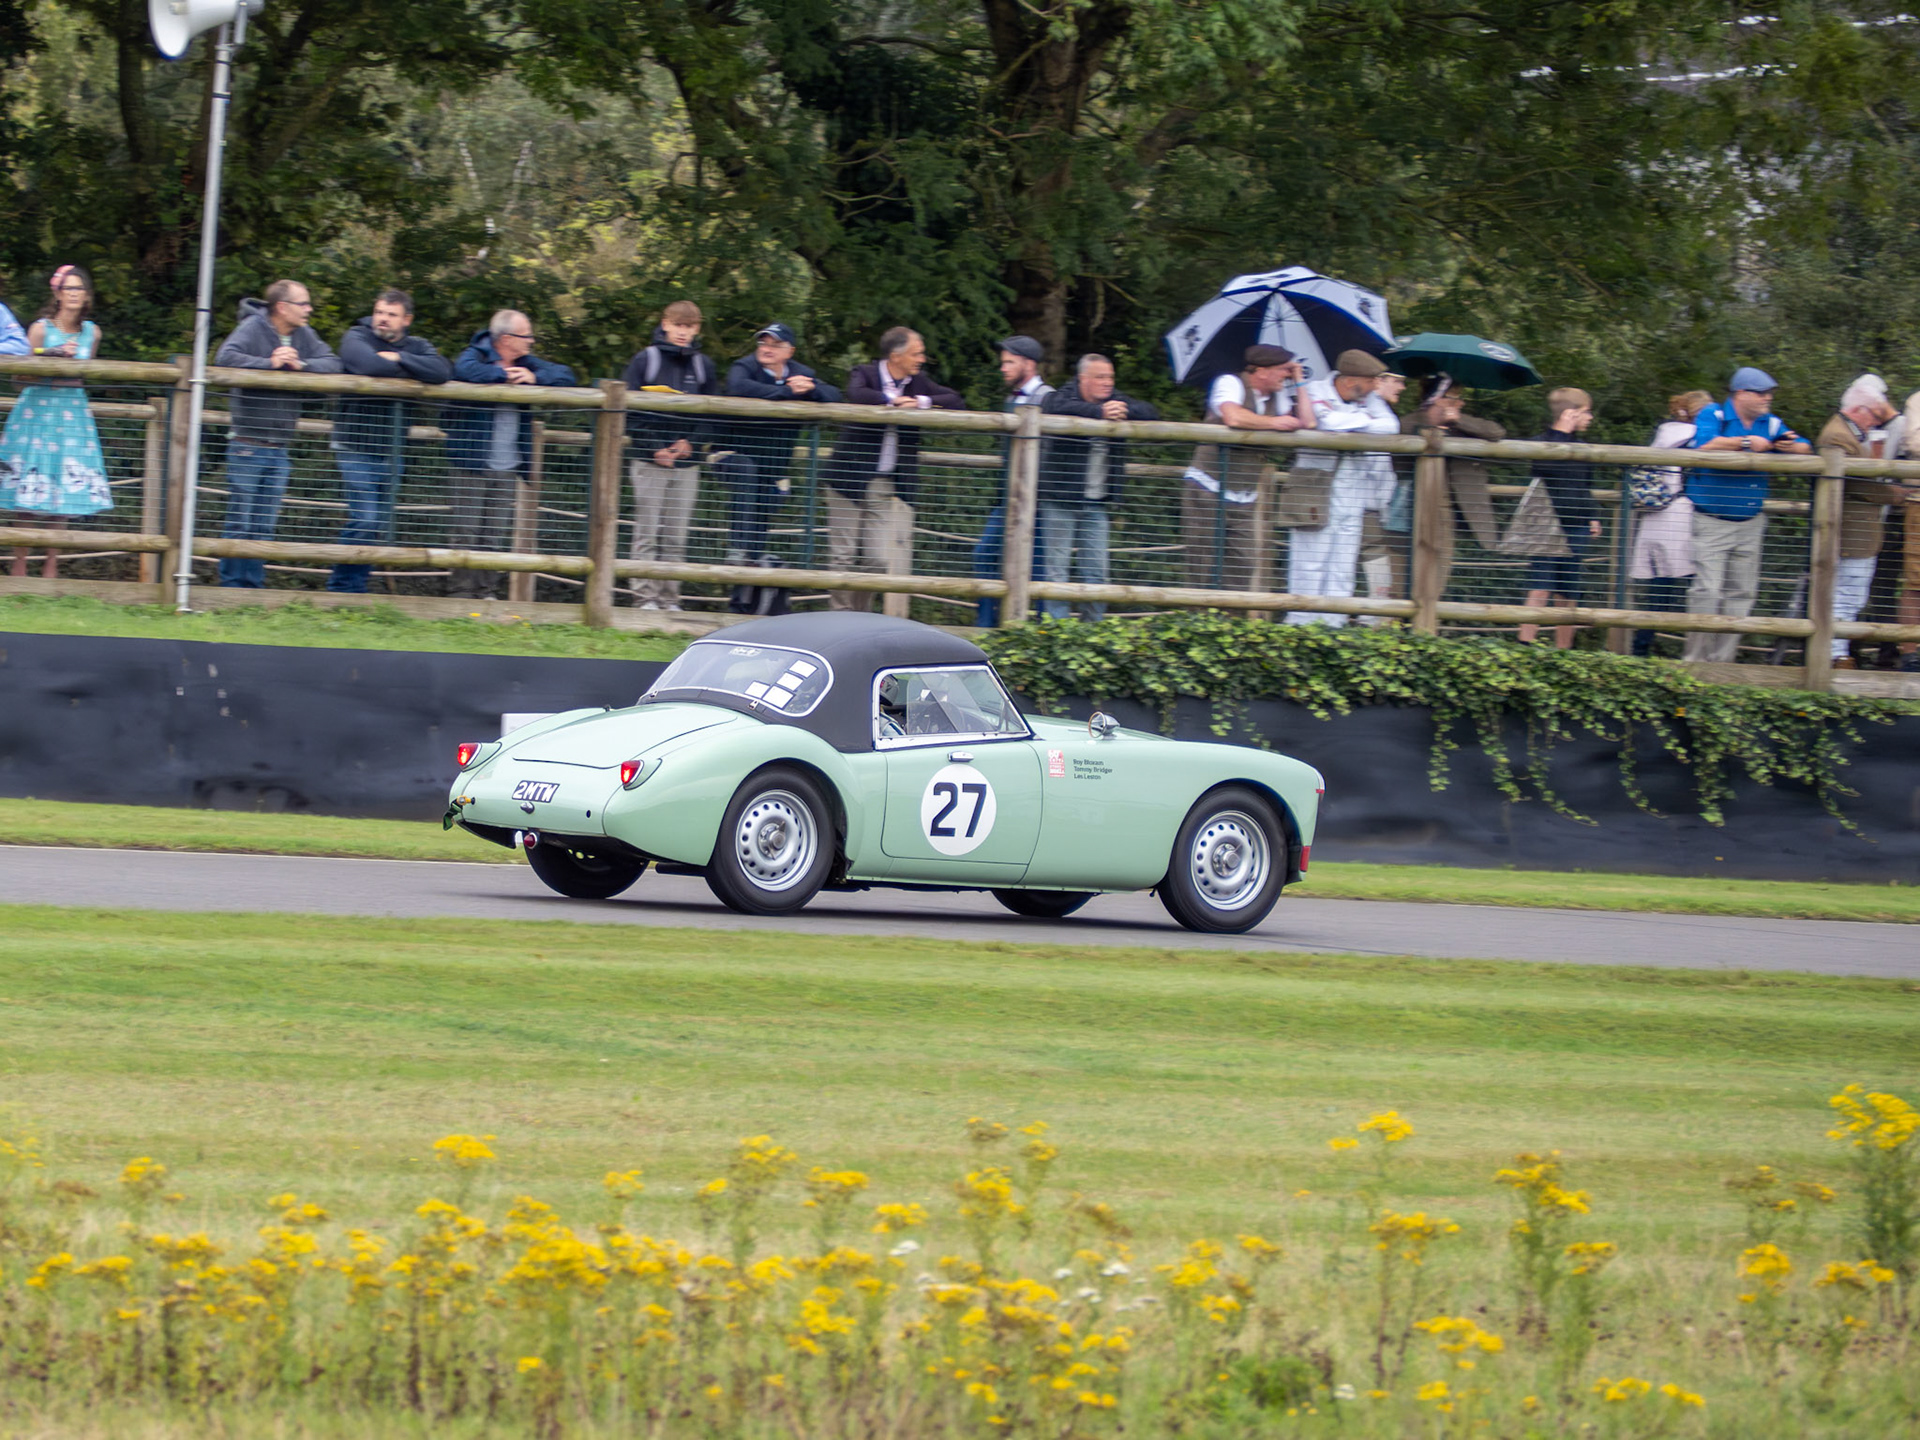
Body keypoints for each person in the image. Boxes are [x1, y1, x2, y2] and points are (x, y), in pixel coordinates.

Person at [211, 280, 344, 587]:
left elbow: (333, 363)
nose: (309, 309)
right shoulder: (252, 327)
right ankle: (232, 588)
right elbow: (225, 358)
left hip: (280, 446)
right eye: (303, 303)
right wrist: (269, 363)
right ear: (282, 307)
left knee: (264, 525)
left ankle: (253, 588)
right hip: (247, 444)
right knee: (241, 521)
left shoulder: (304, 334)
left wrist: (301, 364)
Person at [442, 310, 576, 599]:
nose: (531, 341)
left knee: (493, 534)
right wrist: (504, 376)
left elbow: (566, 375)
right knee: (465, 532)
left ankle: (486, 591)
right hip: (471, 463)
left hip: (508, 466)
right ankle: (460, 594)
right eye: (526, 335)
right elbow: (464, 371)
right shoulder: (475, 354)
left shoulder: (527, 362)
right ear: (505, 339)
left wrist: (534, 376)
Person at [1682, 366, 1812, 663]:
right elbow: (1704, 444)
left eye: (1770, 393)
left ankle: (1723, 664)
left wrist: (1791, 448)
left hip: (1751, 523)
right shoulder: (1713, 414)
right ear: (1741, 394)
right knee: (1707, 591)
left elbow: (1805, 445)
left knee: (1742, 593)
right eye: (1762, 393)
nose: (1768, 398)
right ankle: (1695, 664)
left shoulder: (1770, 422)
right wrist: (1745, 443)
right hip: (1711, 521)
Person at [326, 289, 450, 593]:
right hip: (354, 445)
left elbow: (442, 371)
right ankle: (342, 589)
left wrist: (399, 357)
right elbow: (369, 366)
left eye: (391, 314)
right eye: (379, 312)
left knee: (377, 524)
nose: (382, 319)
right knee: (366, 519)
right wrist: (411, 369)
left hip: (393, 451)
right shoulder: (357, 336)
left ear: (407, 320)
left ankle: (354, 588)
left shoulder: (417, 345)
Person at [832, 327, 964, 613]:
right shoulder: (865, 373)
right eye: (917, 354)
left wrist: (920, 402)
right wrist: (891, 402)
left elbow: (955, 399)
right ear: (896, 356)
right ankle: (838, 617)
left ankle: (859, 617)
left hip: (884, 485)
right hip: (846, 478)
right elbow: (856, 394)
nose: (922, 359)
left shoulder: (918, 382)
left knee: (879, 559)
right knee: (842, 556)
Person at [0, 266, 112, 578]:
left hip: (73, 416)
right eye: (68, 288)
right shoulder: (40, 329)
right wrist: (51, 359)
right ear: (58, 294)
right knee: (27, 494)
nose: (74, 294)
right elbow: (18, 378)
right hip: (36, 414)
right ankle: (19, 567)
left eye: (79, 288)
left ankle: (51, 568)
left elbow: (87, 376)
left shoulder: (92, 333)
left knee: (62, 495)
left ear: (87, 295)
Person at [1036, 354, 1158, 620]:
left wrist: (1123, 410)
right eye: (1100, 377)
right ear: (1083, 379)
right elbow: (1051, 405)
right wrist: (1098, 413)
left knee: (1097, 571)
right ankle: (1056, 632)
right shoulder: (1063, 396)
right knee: (1057, 570)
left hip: (1097, 504)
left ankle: (1093, 631)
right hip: (1059, 500)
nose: (1107, 382)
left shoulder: (1115, 399)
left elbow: (1150, 412)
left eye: (1110, 377)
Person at [1182, 344, 1312, 590]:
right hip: (1207, 489)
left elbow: (1308, 422)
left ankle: (1231, 615)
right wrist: (1274, 423)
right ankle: (1197, 614)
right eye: (1284, 369)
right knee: (1202, 564)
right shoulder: (1230, 383)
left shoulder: (1278, 396)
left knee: (1242, 566)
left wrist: (1299, 381)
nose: (1287, 375)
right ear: (1261, 371)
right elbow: (1233, 417)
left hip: (1244, 496)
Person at [720, 322, 842, 577]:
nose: (767, 348)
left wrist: (812, 389)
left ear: (790, 351)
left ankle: (753, 559)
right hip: (731, 455)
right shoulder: (744, 367)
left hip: (774, 463)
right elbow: (737, 387)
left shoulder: (801, 373)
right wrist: (786, 391)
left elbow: (834, 394)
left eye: (776, 345)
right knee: (746, 474)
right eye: (763, 343)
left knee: (767, 494)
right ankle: (737, 550)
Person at [1285, 349, 1397, 625]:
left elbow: (1391, 426)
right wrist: (1366, 423)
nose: (1375, 388)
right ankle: (1300, 625)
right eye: (1370, 381)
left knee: (1343, 564)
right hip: (1315, 492)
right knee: (1310, 561)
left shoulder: (1369, 398)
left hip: (1353, 494)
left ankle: (1334, 626)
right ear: (1349, 381)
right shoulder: (1314, 390)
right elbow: (1328, 422)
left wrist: (1353, 425)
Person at [622, 301, 721, 611]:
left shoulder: (703, 365)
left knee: (676, 534)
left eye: (689, 326)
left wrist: (692, 443)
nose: (682, 332)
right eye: (678, 325)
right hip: (648, 461)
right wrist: (655, 448)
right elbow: (628, 410)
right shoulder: (645, 359)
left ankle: (669, 598)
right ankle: (645, 598)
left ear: (697, 329)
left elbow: (714, 413)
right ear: (665, 324)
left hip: (687, 463)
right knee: (647, 532)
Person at [1814, 375, 1911, 670]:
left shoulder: (1851, 433)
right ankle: (1834, 658)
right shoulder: (1838, 436)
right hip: (1849, 533)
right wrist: (1895, 494)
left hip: (1858, 532)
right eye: (1874, 415)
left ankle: (1838, 654)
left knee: (1852, 596)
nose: (1876, 422)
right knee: (1845, 595)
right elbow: (1857, 483)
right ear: (1859, 409)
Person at [974, 336, 1053, 626]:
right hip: (1008, 498)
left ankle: (1041, 630)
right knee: (984, 555)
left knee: (1039, 568)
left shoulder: (1049, 398)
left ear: (1028, 364)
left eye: (1009, 362)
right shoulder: (1011, 399)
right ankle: (987, 626)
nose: (1003, 368)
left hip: (1039, 501)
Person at [1516, 388, 1603, 648]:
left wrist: (1592, 516)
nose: (1590, 418)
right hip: (1545, 526)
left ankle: (1563, 652)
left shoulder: (1583, 448)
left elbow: (1585, 485)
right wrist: (1561, 434)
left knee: (1568, 590)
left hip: (1576, 526)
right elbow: (1543, 468)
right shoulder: (1541, 443)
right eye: (1586, 412)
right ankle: (1525, 646)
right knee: (1540, 586)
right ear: (1570, 413)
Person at [1628, 391, 1710, 656]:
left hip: (1656, 517)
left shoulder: (1665, 435)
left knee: (1659, 589)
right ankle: (1698, 652)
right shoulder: (1695, 439)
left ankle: (1641, 649)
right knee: (1697, 585)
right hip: (1680, 516)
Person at [1356, 369, 1410, 612]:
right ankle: (1375, 618)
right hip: (1364, 502)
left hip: (1370, 502)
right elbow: (1389, 429)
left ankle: (1374, 617)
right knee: (1374, 554)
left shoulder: (1375, 408)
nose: (1402, 387)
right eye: (1397, 381)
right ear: (1379, 381)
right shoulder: (1370, 408)